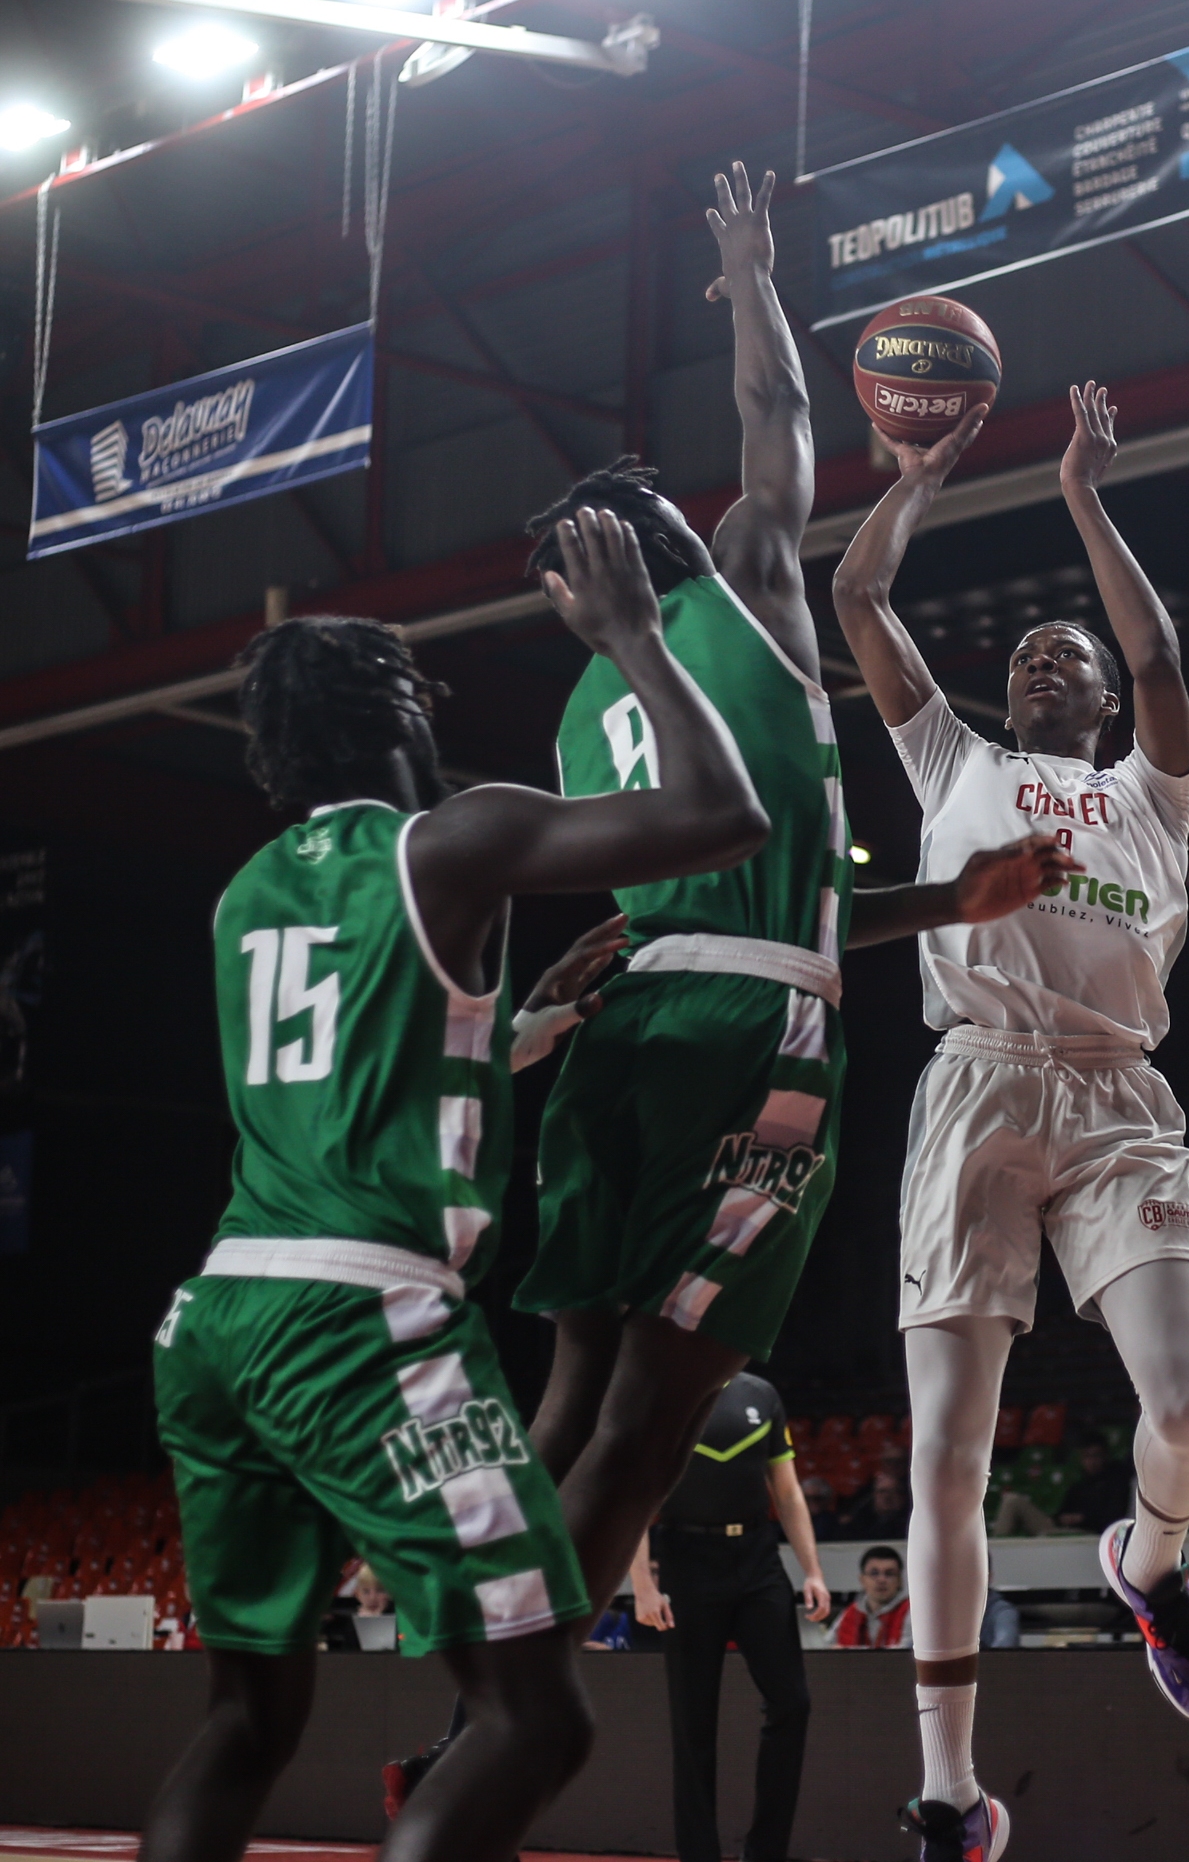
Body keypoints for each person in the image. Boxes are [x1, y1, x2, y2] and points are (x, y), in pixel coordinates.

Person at [387, 156, 1070, 1812]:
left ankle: (471, 1663)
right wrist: (755, 269)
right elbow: (776, 417)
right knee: (656, 1398)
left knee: (574, 1378)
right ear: (669, 535)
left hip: (632, 1039)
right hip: (760, 1036)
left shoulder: (576, 715)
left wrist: (938, 896)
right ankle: (525, 1701)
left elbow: (746, 882)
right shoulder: (746, 582)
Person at [143, 510, 775, 1862]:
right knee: (531, 1719)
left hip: (215, 1320)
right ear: (393, 719)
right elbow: (726, 818)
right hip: (357, 1318)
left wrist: (511, 1038)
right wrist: (635, 641)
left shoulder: (244, 892)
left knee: (246, 1720)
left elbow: (351, 1076)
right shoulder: (448, 841)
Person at [834, 379, 1189, 1860]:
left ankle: (1152, 1563)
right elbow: (860, 592)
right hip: (979, 1083)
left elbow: (1162, 647)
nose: (1049, 659)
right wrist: (921, 473)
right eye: (1028, 652)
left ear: (1103, 701)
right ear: (1005, 696)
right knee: (948, 1451)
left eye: (1070, 653)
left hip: (1122, 1097)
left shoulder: (1151, 796)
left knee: (1185, 1408)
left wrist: (1080, 486)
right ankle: (949, 1790)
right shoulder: (954, 761)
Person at [630, 1372, 829, 1862]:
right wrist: (642, 1585)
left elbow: (786, 1491)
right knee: (693, 1721)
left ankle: (766, 1852)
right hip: (686, 1558)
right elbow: (635, 1498)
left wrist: (813, 1572)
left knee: (792, 1702)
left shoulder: (760, 1393)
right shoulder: (661, 1392)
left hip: (758, 1556)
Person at [991, 1430, 1131, 1538]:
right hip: (1062, 1530)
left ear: (1105, 1456)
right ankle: (994, 1554)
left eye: (1095, 1455)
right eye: (1087, 1456)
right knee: (1011, 1500)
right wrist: (1063, 1518)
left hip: (1092, 1535)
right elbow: (1060, 1514)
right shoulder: (1079, 1485)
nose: (1091, 1461)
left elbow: (1114, 1518)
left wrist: (1083, 1519)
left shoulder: (1116, 1481)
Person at [829, 1545, 912, 1649]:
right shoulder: (850, 1613)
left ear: (900, 1580)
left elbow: (907, 1652)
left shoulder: (910, 1612)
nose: (881, 1580)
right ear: (862, 1580)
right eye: (874, 1573)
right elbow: (829, 1648)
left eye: (889, 1574)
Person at [838, 1465, 912, 1542]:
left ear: (902, 1495)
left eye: (893, 1492)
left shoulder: (910, 1524)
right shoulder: (859, 1523)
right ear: (874, 1495)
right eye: (882, 1491)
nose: (887, 1497)